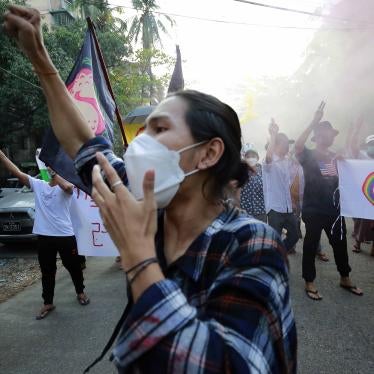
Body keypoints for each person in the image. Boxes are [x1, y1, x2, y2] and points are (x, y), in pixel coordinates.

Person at [3, 6, 297, 372]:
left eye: (159, 129)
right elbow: (82, 141)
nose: (142, 141)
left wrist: (140, 258)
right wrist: (40, 59)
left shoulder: (253, 245)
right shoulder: (148, 204)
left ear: (208, 153)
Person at [0, 151, 90, 319]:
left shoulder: (67, 184)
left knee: (74, 267)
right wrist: (2, 157)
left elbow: (69, 189)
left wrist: (55, 173)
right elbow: (17, 173)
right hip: (44, 236)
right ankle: (48, 303)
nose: (48, 171)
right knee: (47, 271)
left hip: (65, 235)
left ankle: (81, 292)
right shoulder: (38, 184)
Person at [295, 102, 362, 301]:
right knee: (311, 245)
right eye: (329, 133)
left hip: (334, 210)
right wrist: (314, 121)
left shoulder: (336, 157)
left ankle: (345, 277)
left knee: (340, 244)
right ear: (320, 135)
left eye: (333, 133)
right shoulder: (308, 155)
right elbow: (298, 145)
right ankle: (309, 281)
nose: (332, 136)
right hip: (314, 209)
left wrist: (345, 164)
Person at [262, 119, 299, 253]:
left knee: (295, 236)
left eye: (288, 145)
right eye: (284, 144)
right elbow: (268, 158)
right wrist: (273, 135)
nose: (287, 147)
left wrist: (292, 202)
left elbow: (287, 186)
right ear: (276, 145)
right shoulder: (269, 162)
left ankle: (278, 254)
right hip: (275, 209)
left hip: (288, 208)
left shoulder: (287, 162)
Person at [348, 119, 374, 256]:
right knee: (362, 220)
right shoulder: (362, 156)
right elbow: (352, 146)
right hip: (364, 194)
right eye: (371, 144)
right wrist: (356, 130)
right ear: (367, 146)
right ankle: (357, 242)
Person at [239, 144, 267, 222]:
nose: (251, 158)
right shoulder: (240, 173)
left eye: (253, 156)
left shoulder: (264, 172)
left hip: (261, 213)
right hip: (245, 214)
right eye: (248, 156)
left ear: (257, 157)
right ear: (244, 158)